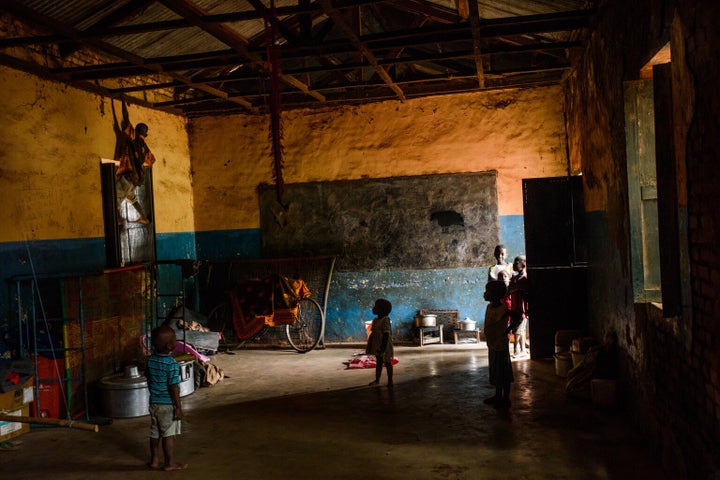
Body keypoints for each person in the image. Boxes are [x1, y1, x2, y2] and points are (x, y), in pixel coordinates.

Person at [146, 325, 187, 471]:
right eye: (175, 339)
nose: (176, 341)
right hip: (167, 404)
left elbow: (149, 379)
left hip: (154, 403)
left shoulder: (150, 360)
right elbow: (173, 387)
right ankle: (170, 463)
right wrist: (178, 407)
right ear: (170, 345)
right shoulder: (172, 364)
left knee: (155, 433)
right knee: (168, 435)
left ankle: (154, 460)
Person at [482, 281, 522, 408]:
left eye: (487, 291)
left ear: (494, 294)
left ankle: (506, 398)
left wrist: (508, 330)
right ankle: (498, 396)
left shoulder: (503, 309)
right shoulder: (489, 307)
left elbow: (519, 317)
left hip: (501, 346)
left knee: (503, 372)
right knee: (496, 371)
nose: (485, 293)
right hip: (492, 345)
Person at [115, 120, 156, 225]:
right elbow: (152, 160)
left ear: (135, 131)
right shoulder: (144, 146)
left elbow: (126, 118)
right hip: (137, 178)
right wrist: (141, 164)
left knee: (116, 197)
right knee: (131, 198)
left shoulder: (133, 139)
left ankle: (119, 219)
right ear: (145, 134)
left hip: (128, 175)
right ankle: (143, 217)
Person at [366, 298, 394, 387]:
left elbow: (386, 335)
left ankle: (390, 381)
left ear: (382, 309)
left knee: (388, 363)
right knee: (378, 362)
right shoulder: (376, 320)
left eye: (376, 307)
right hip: (379, 345)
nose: (373, 308)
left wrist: (383, 347)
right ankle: (377, 380)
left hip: (384, 346)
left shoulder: (385, 320)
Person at [508, 255, 529, 357]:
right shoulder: (515, 278)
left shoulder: (525, 278)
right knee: (520, 330)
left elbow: (519, 289)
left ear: (524, 265)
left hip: (522, 310)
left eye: (516, 263)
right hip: (514, 308)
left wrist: (515, 288)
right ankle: (523, 350)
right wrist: (517, 288)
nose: (513, 264)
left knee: (518, 331)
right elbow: (509, 290)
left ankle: (516, 350)